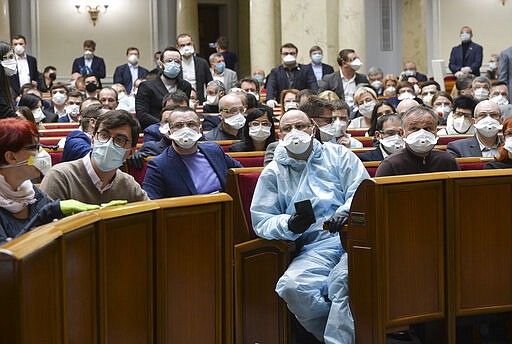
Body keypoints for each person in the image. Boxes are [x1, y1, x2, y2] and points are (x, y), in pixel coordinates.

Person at [251, 109, 369, 343]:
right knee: (292, 287)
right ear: (279, 135)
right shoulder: (274, 171)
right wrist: (289, 224)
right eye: (287, 128)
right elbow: (262, 219)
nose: (295, 133)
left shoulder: (339, 156)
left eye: (301, 126)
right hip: (313, 247)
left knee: (341, 283)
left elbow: (361, 190)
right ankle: (338, 337)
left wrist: (345, 213)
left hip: (352, 240)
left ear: (313, 128)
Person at [0, 118, 100, 243]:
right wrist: (50, 211)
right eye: (34, 148)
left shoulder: (32, 193)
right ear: (11, 157)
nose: (42, 153)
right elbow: (6, 256)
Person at [40, 110, 149, 204]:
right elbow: (43, 226)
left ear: (131, 152)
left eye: (120, 139)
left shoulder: (128, 185)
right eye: (104, 135)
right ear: (93, 140)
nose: (109, 144)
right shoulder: (60, 177)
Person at [142, 106, 241, 199]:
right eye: (179, 125)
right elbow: (153, 203)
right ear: (169, 132)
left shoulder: (214, 150)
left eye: (191, 124)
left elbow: (242, 174)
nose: (186, 129)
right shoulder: (158, 165)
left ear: (200, 130)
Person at [375, 105, 459, 176]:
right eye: (414, 129)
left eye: (428, 128)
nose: (422, 133)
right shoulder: (390, 166)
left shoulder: (447, 161)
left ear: (436, 132)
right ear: (402, 133)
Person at [135, 46, 192, 129]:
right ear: (161, 65)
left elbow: (185, 110)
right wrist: (164, 124)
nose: (173, 64)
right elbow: (142, 114)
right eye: (169, 61)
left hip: (181, 129)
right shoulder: (146, 86)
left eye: (177, 61)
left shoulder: (186, 86)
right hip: (155, 129)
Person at [176, 33, 213, 103]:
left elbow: (210, 83)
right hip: (180, 101)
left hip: (199, 100)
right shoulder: (175, 63)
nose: (186, 47)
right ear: (177, 47)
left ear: (192, 44)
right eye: (182, 45)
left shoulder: (202, 62)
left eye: (188, 44)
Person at [0, 41, 18, 119]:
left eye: (13, 57)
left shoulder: (5, 80)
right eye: (10, 57)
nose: (13, 61)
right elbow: (4, 110)